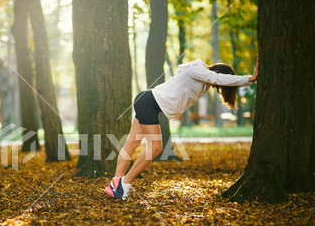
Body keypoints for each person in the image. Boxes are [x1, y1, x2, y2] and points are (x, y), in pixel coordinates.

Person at [104, 58, 259, 200]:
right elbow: (216, 78)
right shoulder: (197, 68)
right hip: (149, 103)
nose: (214, 86)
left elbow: (214, 80)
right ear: (217, 72)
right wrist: (249, 79)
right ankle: (124, 185)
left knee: (131, 144)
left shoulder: (203, 80)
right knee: (156, 147)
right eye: (217, 84)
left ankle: (115, 185)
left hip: (148, 102)